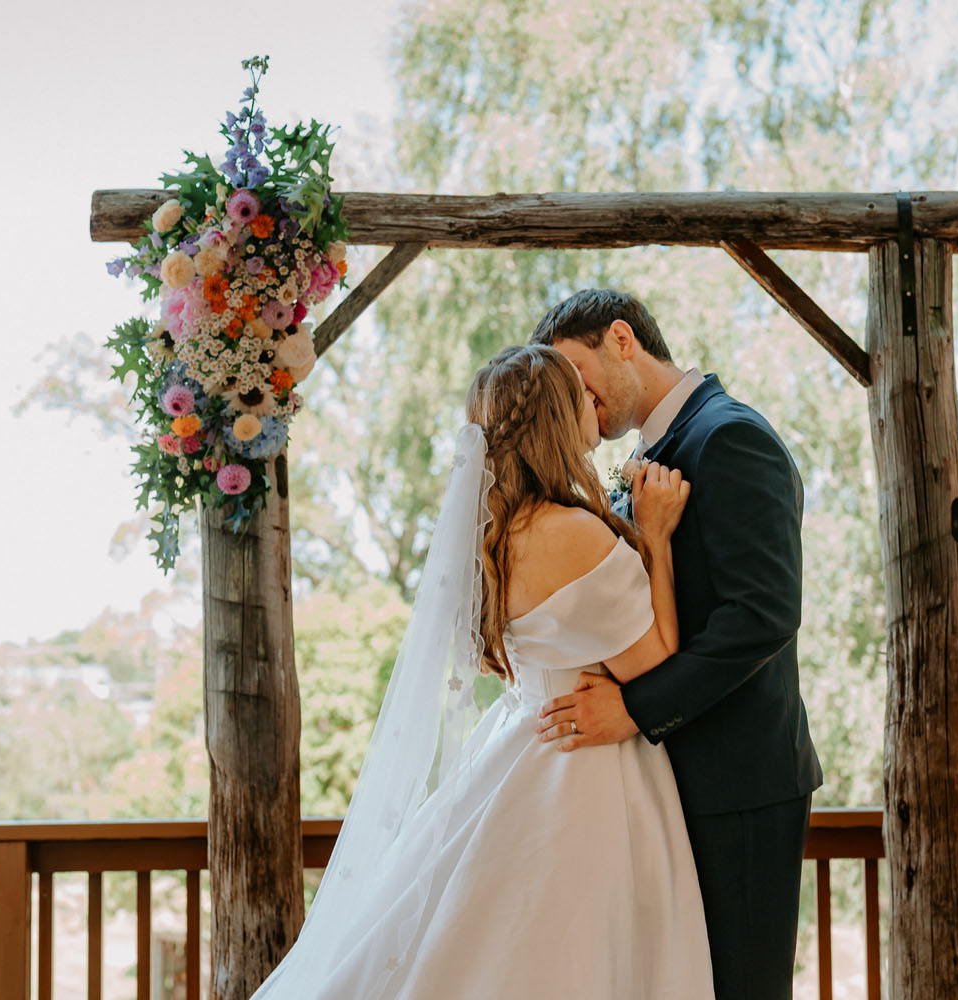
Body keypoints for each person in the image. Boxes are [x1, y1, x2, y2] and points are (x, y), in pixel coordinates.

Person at [248, 343, 715, 1000]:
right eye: (579, 393)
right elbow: (658, 662)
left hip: (520, 741)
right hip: (587, 767)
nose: (593, 400)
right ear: (558, 417)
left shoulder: (489, 531)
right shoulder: (577, 533)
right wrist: (657, 539)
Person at [530, 289, 824, 1000]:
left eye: (574, 371)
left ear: (622, 339)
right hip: (667, 787)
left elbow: (762, 615)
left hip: (736, 786)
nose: (571, 397)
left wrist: (636, 709)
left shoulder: (729, 437)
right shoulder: (652, 454)